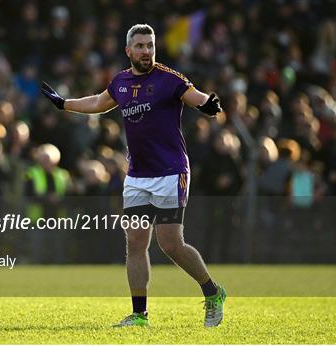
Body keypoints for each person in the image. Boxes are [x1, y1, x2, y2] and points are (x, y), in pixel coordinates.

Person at [41, 24, 225, 327]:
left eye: (150, 45)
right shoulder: (121, 82)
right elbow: (99, 103)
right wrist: (64, 103)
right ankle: (140, 315)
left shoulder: (168, 78)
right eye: (140, 46)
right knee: (136, 244)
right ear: (128, 51)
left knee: (170, 245)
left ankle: (212, 291)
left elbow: (194, 96)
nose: (146, 51)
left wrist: (207, 103)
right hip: (137, 176)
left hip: (171, 171)